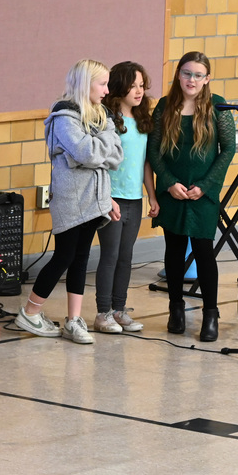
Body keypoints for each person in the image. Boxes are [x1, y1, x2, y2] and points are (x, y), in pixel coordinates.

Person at [15, 59, 124, 345]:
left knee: (81, 258)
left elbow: (116, 157)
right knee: (64, 256)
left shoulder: (102, 115)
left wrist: (106, 195)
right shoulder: (64, 115)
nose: (107, 89)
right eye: (102, 84)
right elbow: (86, 152)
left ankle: (74, 320)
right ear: (84, 84)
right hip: (71, 199)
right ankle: (30, 311)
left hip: (95, 198)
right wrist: (97, 148)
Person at [147, 51, 236, 342]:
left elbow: (228, 150)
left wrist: (206, 185)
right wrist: (169, 183)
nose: (192, 80)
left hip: (203, 192)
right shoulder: (164, 107)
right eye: (187, 73)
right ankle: (176, 309)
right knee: (173, 250)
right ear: (178, 75)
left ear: (207, 78)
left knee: (203, 250)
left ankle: (211, 314)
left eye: (198, 75)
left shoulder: (217, 106)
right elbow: (154, 152)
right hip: (173, 191)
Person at [93, 61, 159, 334]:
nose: (139, 91)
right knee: (110, 254)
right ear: (119, 87)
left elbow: (145, 163)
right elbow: (101, 163)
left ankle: (119, 309)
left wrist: (152, 197)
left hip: (134, 198)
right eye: (133, 85)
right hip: (112, 198)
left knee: (126, 256)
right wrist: (106, 198)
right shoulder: (106, 120)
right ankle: (102, 313)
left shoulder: (143, 121)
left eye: (142, 86)